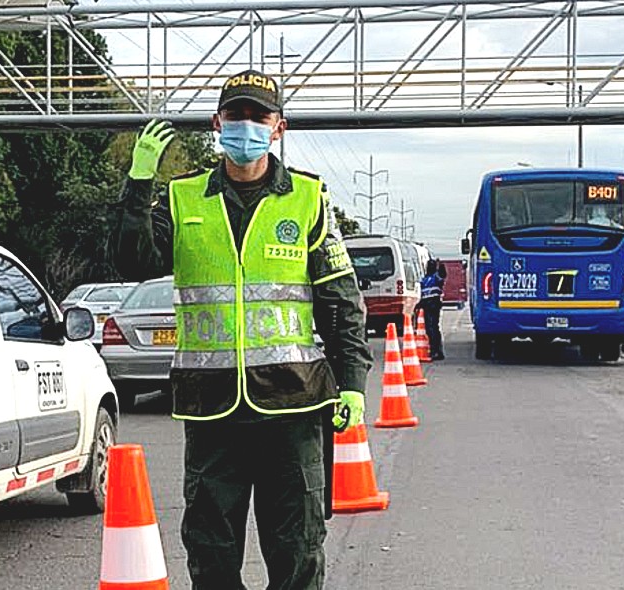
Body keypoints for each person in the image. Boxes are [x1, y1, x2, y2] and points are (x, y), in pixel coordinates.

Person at [112, 69, 372, 589]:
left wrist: (352, 383)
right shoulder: (183, 198)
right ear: (217, 124)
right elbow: (131, 261)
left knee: (297, 546)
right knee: (211, 549)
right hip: (212, 410)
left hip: (294, 406)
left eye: (259, 117)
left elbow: (339, 301)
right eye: (236, 116)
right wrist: (140, 184)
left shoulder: (307, 199)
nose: (246, 126)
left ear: (278, 128)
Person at [419, 258, 445, 361]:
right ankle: (434, 350)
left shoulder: (436, 277)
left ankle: (437, 351)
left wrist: (441, 266)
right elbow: (421, 292)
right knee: (429, 329)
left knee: (433, 328)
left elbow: (443, 275)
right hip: (426, 304)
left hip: (434, 304)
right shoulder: (424, 279)